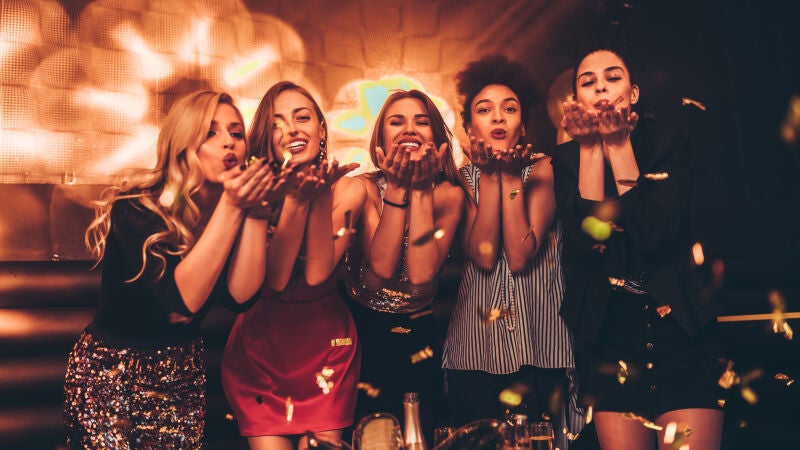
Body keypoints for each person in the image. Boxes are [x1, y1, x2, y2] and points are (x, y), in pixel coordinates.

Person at [63, 90, 281, 449]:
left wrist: (256, 211)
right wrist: (233, 205)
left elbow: (241, 297)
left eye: (236, 133)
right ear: (183, 145)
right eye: (210, 133)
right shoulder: (136, 207)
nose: (228, 142)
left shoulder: (231, 212)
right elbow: (182, 303)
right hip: (110, 378)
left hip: (181, 376)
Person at [551, 48, 724, 450]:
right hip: (610, 338)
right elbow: (588, 243)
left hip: (680, 332)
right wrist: (590, 148)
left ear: (632, 94)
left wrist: (618, 145)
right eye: (588, 82)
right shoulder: (567, 158)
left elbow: (653, 234)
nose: (601, 87)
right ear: (576, 101)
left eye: (612, 78)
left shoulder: (669, 144)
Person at [441, 54, 580, 450]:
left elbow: (520, 255)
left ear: (523, 125)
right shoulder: (460, 181)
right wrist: (490, 176)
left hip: (543, 347)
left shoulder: (545, 169)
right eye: (484, 110)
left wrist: (510, 178)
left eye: (509, 108)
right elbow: (485, 256)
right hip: (475, 350)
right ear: (470, 127)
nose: (498, 117)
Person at [221, 81, 364, 450]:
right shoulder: (253, 194)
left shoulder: (349, 190)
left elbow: (317, 274)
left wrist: (318, 195)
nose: (292, 129)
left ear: (321, 129)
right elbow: (275, 280)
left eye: (302, 118)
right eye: (277, 124)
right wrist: (298, 199)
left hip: (328, 350)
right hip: (261, 354)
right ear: (266, 140)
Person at [344, 89, 466, 441]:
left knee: (418, 436)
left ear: (437, 138)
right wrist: (397, 189)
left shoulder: (449, 194)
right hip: (362, 334)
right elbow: (380, 272)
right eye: (396, 122)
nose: (409, 129)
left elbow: (421, 274)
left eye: (421, 122)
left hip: (419, 336)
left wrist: (422, 190)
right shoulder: (363, 190)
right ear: (380, 140)